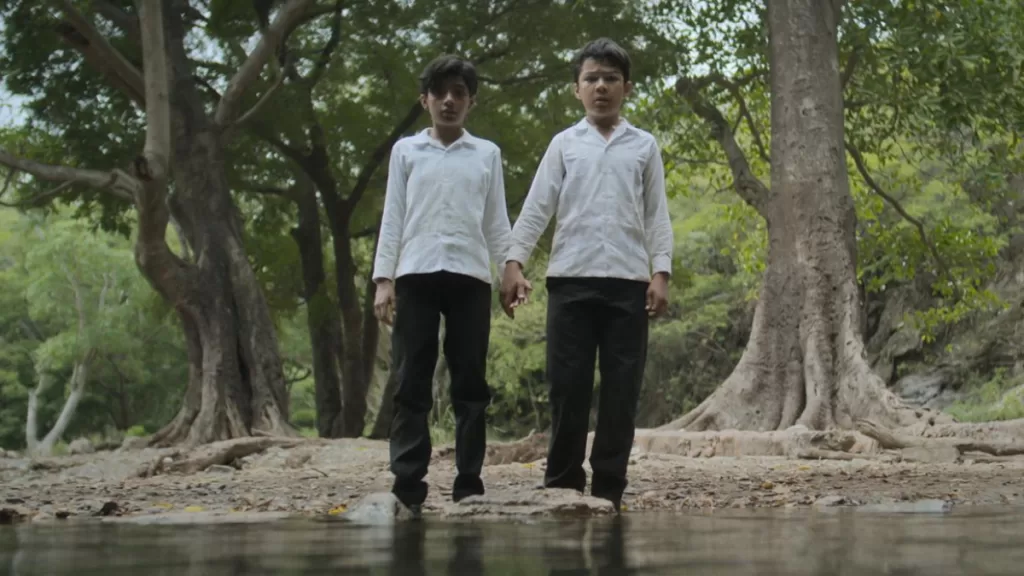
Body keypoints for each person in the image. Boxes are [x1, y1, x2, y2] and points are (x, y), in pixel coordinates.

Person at [501, 38, 673, 509]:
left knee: (621, 391)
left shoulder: (644, 146)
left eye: (611, 79)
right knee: (567, 387)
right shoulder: (565, 144)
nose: (601, 87)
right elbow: (537, 208)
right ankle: (562, 486)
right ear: (576, 89)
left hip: (628, 284)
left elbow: (657, 215)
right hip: (570, 282)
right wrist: (514, 263)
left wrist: (661, 272)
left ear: (627, 88)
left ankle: (610, 490)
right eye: (591, 79)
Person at [372, 54, 512, 513]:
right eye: (440, 93)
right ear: (425, 100)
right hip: (416, 274)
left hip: (470, 277)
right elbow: (393, 216)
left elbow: (496, 221)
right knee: (411, 378)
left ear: (471, 101)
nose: (449, 100)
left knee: (470, 382)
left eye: (459, 93)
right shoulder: (406, 152)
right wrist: (384, 279)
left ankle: (469, 482)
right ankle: (407, 483)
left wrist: (509, 270)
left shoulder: (487, 154)